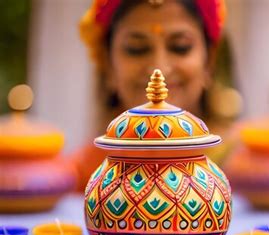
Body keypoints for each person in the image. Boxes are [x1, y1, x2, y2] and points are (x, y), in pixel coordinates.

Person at [74, 0, 239, 190]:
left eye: (180, 47)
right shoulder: (78, 176)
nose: (159, 68)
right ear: (107, 64)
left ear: (209, 60)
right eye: (136, 49)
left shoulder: (251, 167)